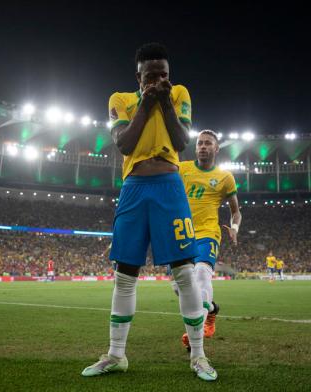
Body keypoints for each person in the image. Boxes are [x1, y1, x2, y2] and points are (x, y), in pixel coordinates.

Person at [81, 43, 217, 381]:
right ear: (138, 77)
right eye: (151, 75)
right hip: (133, 188)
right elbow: (124, 144)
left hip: (169, 186)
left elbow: (181, 139)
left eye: (163, 75)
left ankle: (198, 356)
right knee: (125, 274)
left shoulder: (179, 94)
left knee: (184, 273)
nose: (159, 80)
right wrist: (146, 100)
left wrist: (163, 101)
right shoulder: (120, 100)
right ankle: (116, 355)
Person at [176, 130, 241, 350]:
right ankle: (211, 310)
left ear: (216, 148)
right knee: (180, 287)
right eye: (200, 143)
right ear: (195, 148)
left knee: (202, 274)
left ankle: (197, 330)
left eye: (208, 143)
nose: (203, 146)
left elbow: (236, 211)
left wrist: (234, 227)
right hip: (181, 233)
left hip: (208, 233)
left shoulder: (225, 177)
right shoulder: (182, 168)